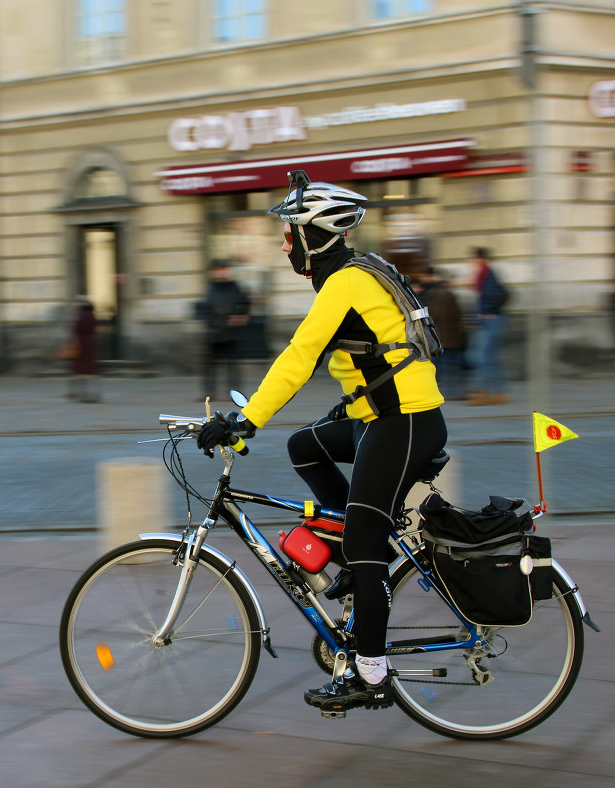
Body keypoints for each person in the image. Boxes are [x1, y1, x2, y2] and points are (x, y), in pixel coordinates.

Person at [196, 171, 447, 714]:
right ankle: (351, 553)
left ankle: (371, 675)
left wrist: (245, 420)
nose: (286, 244)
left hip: (403, 422)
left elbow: (299, 356)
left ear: (315, 235)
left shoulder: (345, 282)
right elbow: (368, 354)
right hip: (380, 416)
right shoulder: (350, 274)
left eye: (291, 233)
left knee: (366, 540)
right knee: (304, 445)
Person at [199, 259, 250, 401]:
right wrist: (209, 322)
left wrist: (239, 316)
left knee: (232, 366)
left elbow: (244, 303)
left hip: (230, 333)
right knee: (209, 366)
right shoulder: (211, 287)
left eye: (223, 269)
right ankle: (209, 393)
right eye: (217, 269)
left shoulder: (233, 286)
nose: (220, 272)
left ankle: (234, 394)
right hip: (214, 332)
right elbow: (205, 307)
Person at [415, 267, 467, 400]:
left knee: (442, 365)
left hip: (439, 336)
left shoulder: (432, 294)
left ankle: (445, 391)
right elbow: (458, 314)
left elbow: (433, 315)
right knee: (452, 365)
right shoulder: (446, 294)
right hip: (450, 336)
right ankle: (454, 391)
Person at [467, 247, 509, 405]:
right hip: (491, 320)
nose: (471, 262)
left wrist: (486, 313)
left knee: (482, 357)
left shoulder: (486, 273)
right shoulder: (485, 273)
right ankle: (501, 391)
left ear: (480, 259)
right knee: (491, 357)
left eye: (473, 259)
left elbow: (489, 296)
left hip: (490, 320)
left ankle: (482, 392)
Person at [67, 296, 100, 403]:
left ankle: (80, 394)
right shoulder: (93, 315)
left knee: (79, 371)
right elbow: (95, 329)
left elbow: (76, 329)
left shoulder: (80, 315)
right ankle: (93, 394)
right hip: (91, 345)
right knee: (91, 371)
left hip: (81, 345)